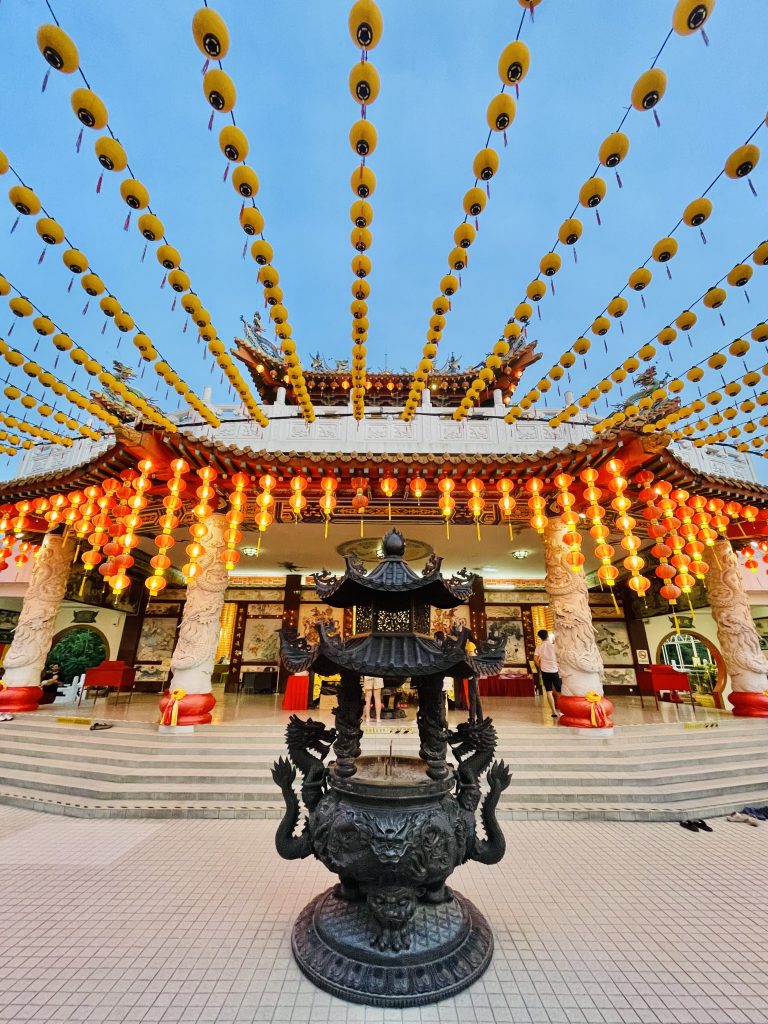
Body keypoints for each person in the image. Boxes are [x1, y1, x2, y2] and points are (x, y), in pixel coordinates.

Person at [533, 629, 562, 718]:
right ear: (548, 636)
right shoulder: (553, 646)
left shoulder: (539, 646)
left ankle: (553, 711)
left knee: (548, 691)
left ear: (540, 637)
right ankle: (561, 710)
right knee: (559, 691)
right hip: (554, 670)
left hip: (545, 671)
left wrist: (540, 667)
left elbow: (535, 659)